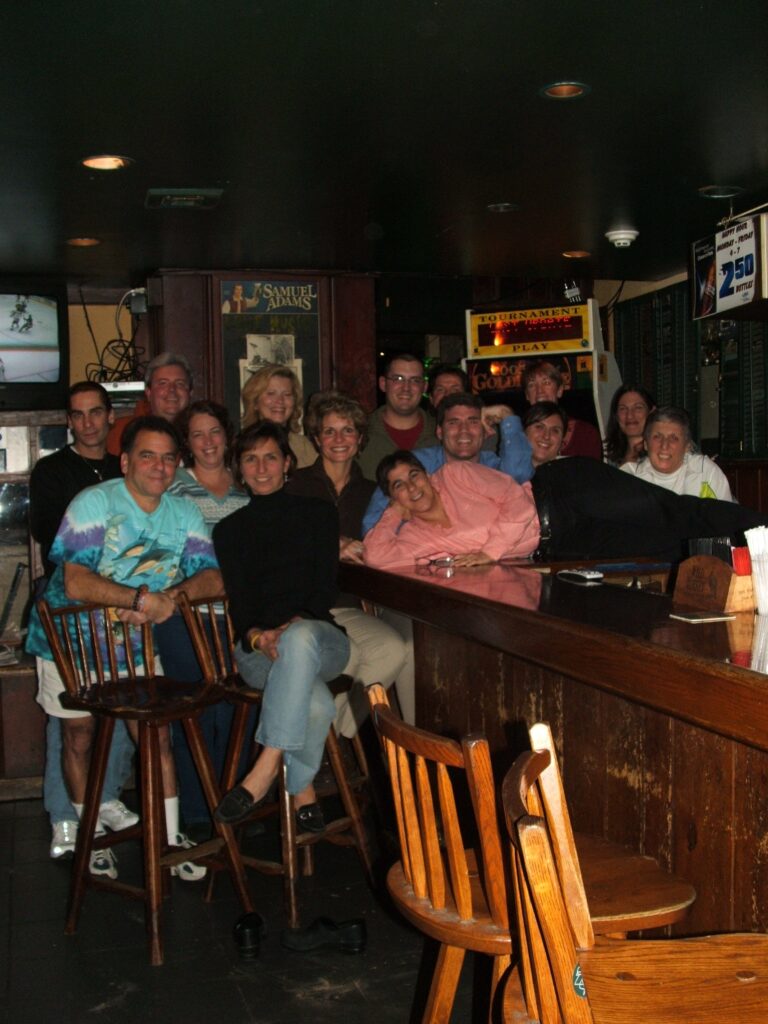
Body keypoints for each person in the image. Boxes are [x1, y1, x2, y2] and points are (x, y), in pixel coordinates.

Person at [26, 415, 224, 881]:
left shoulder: (184, 512)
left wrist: (166, 602)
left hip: (135, 644)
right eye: (147, 455)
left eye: (168, 457)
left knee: (156, 736)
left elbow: (212, 577)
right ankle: (90, 834)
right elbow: (74, 581)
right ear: (126, 460)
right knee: (79, 735)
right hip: (70, 644)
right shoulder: (95, 502)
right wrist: (140, 599)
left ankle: (171, 839)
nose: (158, 466)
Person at [212, 422, 351, 830]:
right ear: (239, 468)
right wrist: (257, 637)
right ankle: (301, 788)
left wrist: (288, 628)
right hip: (257, 653)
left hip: (320, 640)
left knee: (302, 636)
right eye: (250, 459)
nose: (261, 467)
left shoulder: (319, 514)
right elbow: (242, 606)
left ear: (287, 463)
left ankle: (265, 766)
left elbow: (324, 590)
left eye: (270, 456)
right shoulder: (229, 531)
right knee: (317, 703)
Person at [29, 382, 136, 864]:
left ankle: (105, 798)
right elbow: (53, 536)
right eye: (79, 414)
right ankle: (66, 815)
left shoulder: (126, 466)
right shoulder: (51, 470)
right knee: (69, 719)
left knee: (114, 712)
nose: (89, 422)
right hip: (70, 605)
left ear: (111, 416)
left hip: (119, 605)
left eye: (97, 412)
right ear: (69, 421)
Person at [286, 392, 410, 727]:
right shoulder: (294, 486)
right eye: (330, 431)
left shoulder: (373, 493)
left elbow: (388, 546)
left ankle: (338, 732)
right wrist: (330, 544)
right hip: (302, 606)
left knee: (394, 650)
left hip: (348, 606)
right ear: (316, 439)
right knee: (349, 659)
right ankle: (335, 747)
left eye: (348, 430)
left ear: (360, 439)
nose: (339, 439)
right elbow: (281, 542)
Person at [156, 400, 251, 836]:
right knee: (195, 711)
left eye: (215, 431)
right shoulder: (172, 486)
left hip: (238, 616)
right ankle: (197, 812)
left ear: (227, 435)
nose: (208, 441)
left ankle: (235, 805)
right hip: (184, 616)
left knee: (238, 712)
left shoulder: (247, 484)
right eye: (198, 434)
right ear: (186, 443)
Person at [362, 392, 533, 533]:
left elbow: (519, 474)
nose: (464, 430)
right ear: (439, 432)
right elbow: (372, 526)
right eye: (453, 423)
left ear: (485, 431)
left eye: (473, 422)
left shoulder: (492, 466)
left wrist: (506, 415)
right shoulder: (415, 466)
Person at [363, 451, 540, 568]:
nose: (411, 487)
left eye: (414, 475)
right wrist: (392, 513)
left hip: (553, 509)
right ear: (392, 498)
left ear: (428, 475)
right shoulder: (415, 535)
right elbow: (375, 557)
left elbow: (518, 501)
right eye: (399, 485)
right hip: (539, 559)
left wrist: (490, 552)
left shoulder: (456, 474)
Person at [621, 407, 733, 500]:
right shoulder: (629, 477)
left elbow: (726, 520)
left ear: (687, 446)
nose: (664, 445)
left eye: (673, 438)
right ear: (646, 444)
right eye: (657, 437)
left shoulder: (706, 472)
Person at [357, 353, 437, 480]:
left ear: (424, 387)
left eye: (415, 380)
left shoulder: (442, 434)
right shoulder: (359, 433)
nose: (406, 388)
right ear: (383, 384)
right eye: (398, 379)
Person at [107, 352, 194, 455]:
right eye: (163, 383)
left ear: (190, 393)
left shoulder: (203, 434)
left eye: (180, 383)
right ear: (148, 393)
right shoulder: (119, 432)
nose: (172, 390)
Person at [523, 360, 602, 460]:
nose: (539, 391)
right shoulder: (517, 433)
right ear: (527, 395)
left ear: (559, 390)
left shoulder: (585, 433)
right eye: (532, 385)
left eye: (546, 383)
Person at [240, 363, 316, 469]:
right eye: (271, 393)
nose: (280, 401)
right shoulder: (241, 445)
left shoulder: (303, 446)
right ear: (255, 402)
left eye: (287, 394)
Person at [604, 384, 656, 465]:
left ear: (651, 412)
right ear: (616, 415)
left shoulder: (660, 455)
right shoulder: (611, 460)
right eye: (623, 409)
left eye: (638, 408)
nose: (630, 416)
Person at [523, 402, 568, 468]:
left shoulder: (573, 471)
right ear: (524, 432)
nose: (546, 436)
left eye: (555, 430)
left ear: (562, 441)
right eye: (539, 427)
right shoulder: (504, 471)